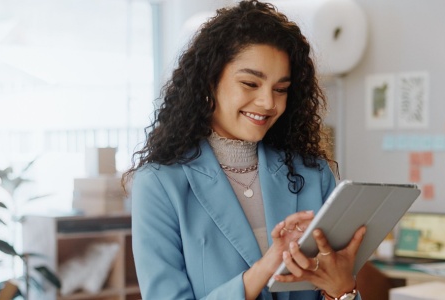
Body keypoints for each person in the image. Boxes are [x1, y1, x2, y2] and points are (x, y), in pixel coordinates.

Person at [124, 1, 363, 299]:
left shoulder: (313, 174)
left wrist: (343, 289)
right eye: (250, 83)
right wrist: (267, 266)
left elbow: (337, 286)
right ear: (209, 82)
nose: (268, 102)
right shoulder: (160, 183)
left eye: (281, 89)